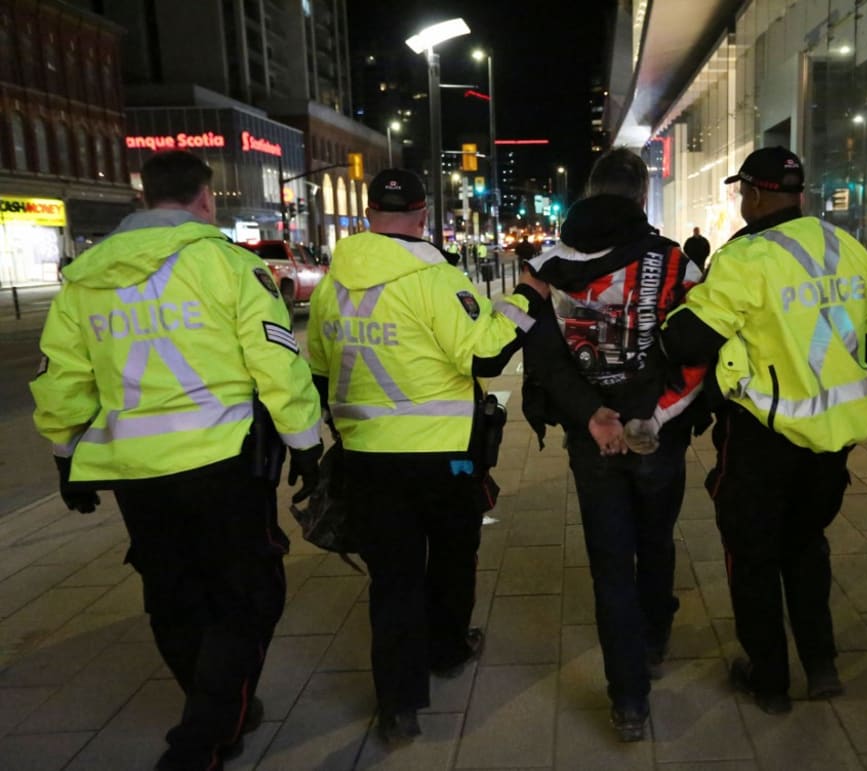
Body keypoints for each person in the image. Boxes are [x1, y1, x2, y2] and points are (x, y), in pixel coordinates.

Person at [30, 150, 323, 770]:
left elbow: (63, 376)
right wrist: (306, 445)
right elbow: (275, 361)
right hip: (223, 461)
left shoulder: (84, 277)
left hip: (135, 471)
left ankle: (214, 711)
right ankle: (202, 738)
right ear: (206, 199)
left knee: (172, 591)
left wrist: (65, 453)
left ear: (143, 196)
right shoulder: (228, 266)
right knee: (247, 595)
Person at [306, 169, 549, 744]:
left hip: (367, 458)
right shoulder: (435, 279)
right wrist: (523, 300)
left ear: (368, 216)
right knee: (452, 554)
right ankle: (447, 649)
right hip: (445, 458)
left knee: (392, 579)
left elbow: (317, 370)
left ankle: (398, 705)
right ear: (421, 217)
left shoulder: (330, 285)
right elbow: (487, 355)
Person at [661, 146, 867, 714]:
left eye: (744, 192)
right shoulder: (848, 248)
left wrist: (675, 312)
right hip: (833, 440)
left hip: (764, 436)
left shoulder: (747, 257)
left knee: (753, 555)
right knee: (807, 545)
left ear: (757, 194)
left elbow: (688, 341)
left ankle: (768, 676)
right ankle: (821, 665)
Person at [522, 147, 704, 742]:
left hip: (589, 435)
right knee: (655, 539)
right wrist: (654, 416)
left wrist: (592, 414)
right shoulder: (675, 263)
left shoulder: (546, 264)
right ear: (641, 198)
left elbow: (543, 356)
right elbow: (701, 351)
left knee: (609, 564)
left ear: (590, 191)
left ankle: (628, 700)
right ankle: (654, 636)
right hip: (658, 434)